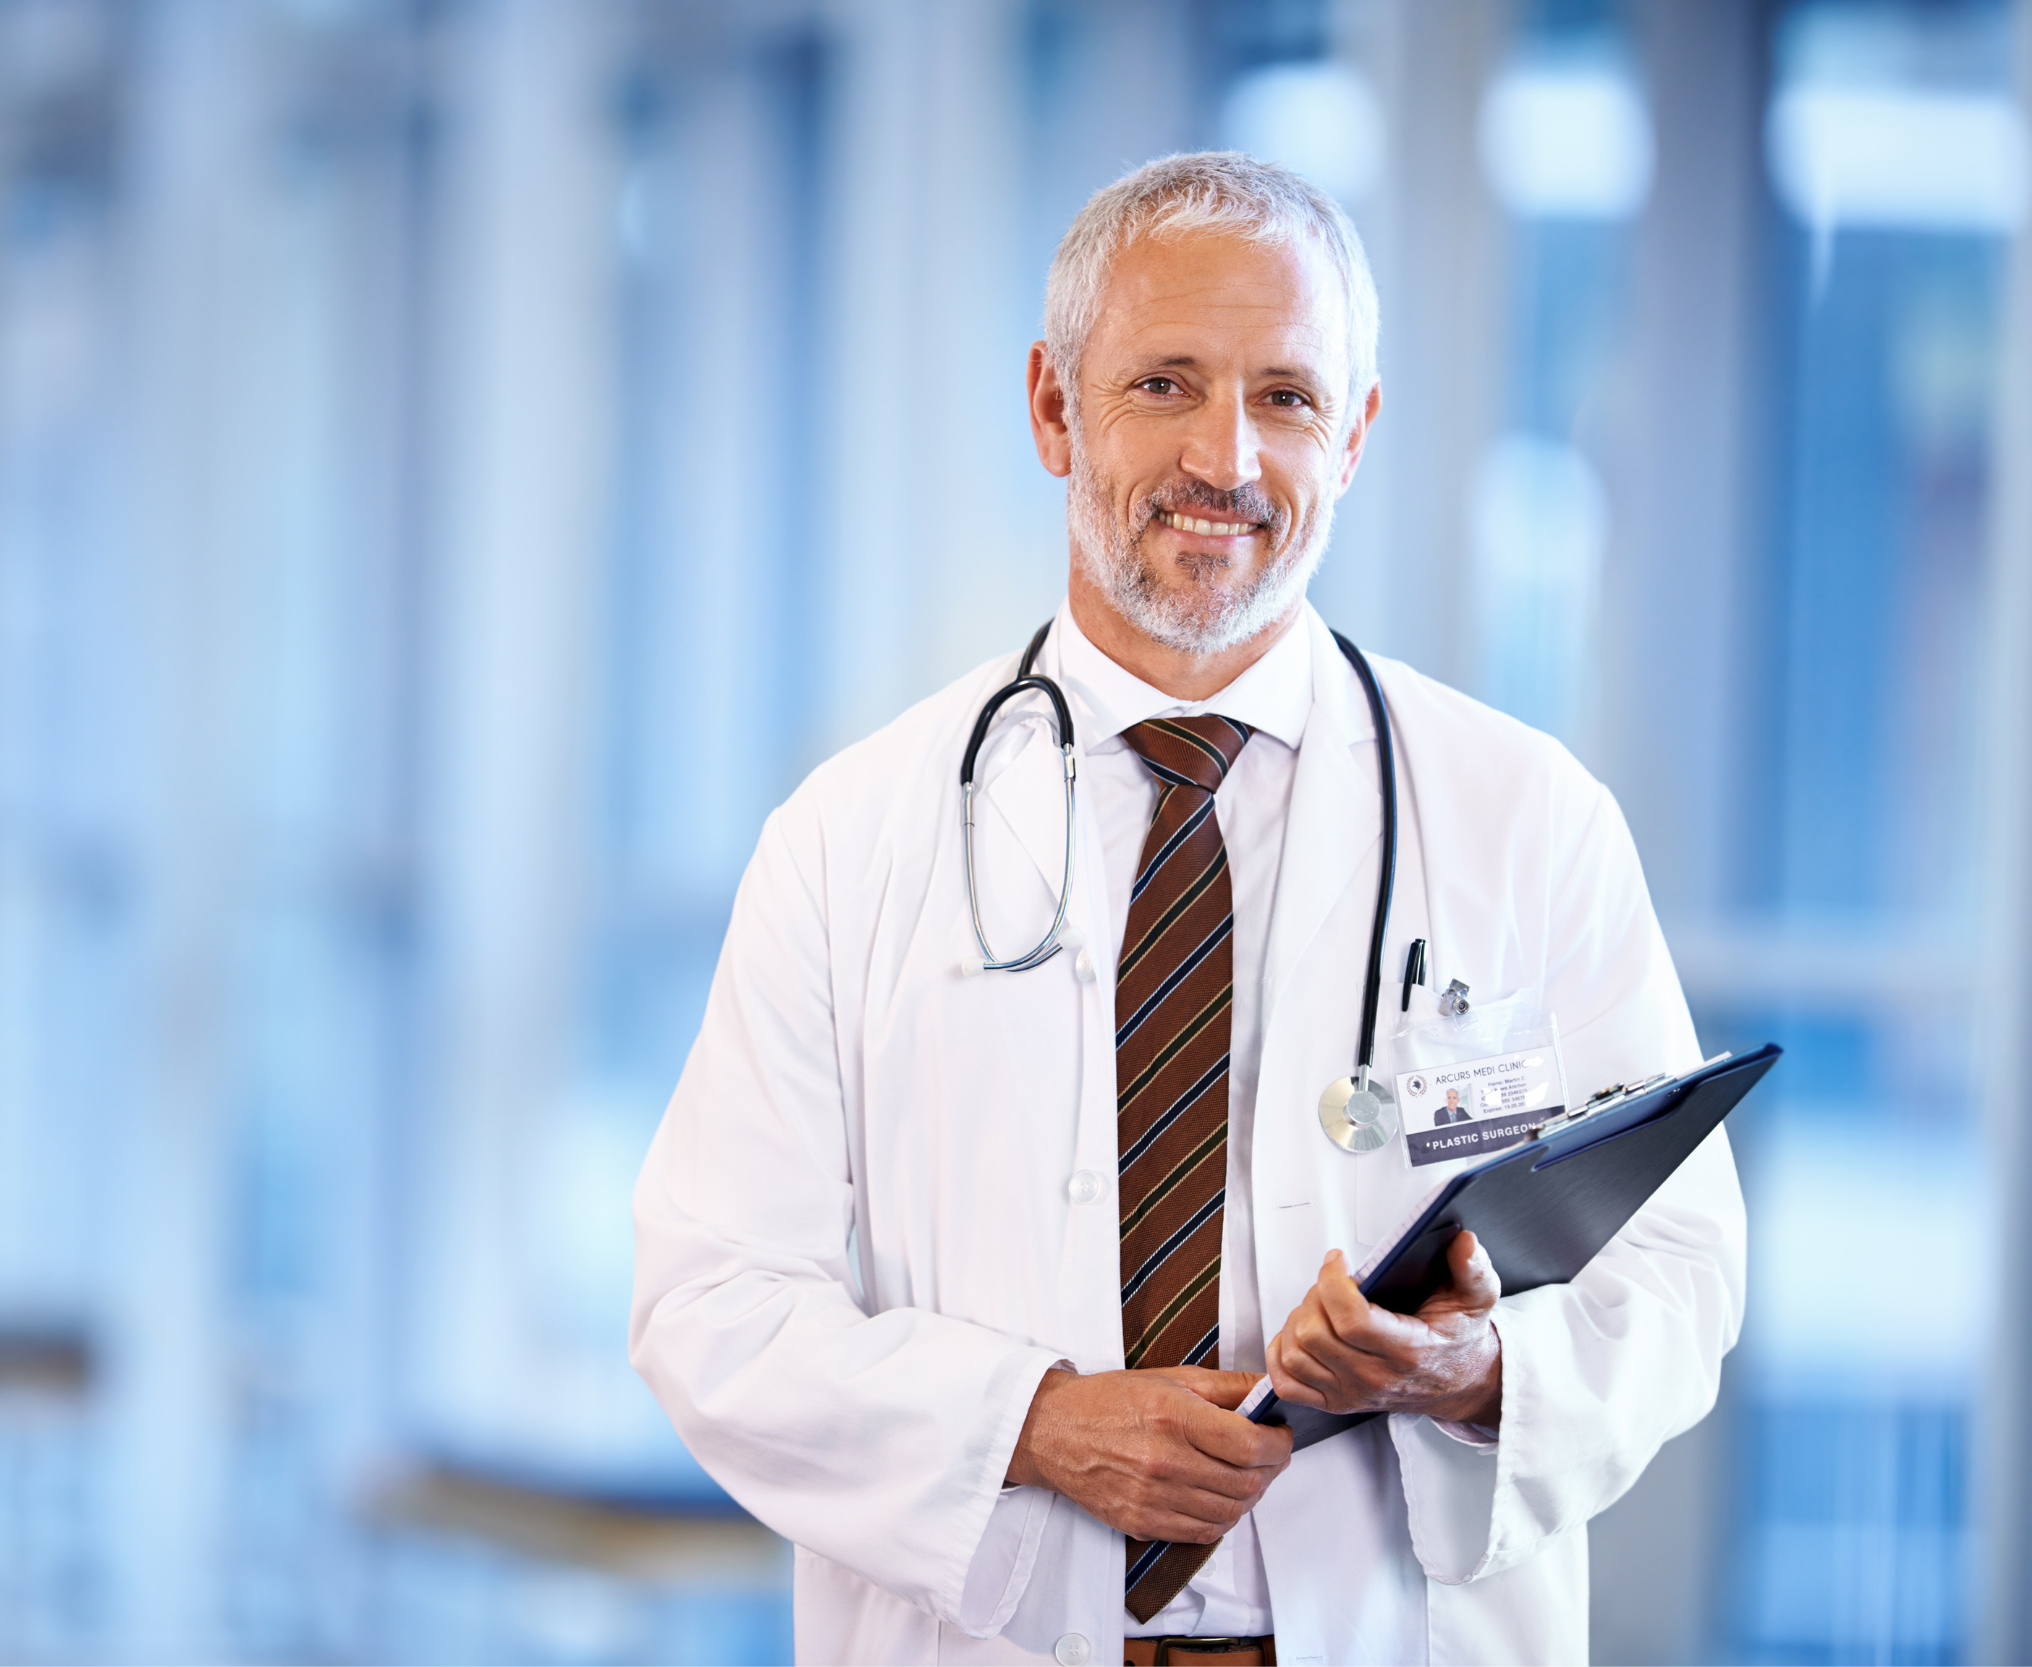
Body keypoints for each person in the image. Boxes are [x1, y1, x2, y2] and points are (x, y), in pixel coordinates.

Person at [630, 152, 1744, 1667]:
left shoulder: (1526, 818)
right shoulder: (850, 839)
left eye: (1286, 396)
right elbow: (711, 1303)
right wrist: (1028, 1426)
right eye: (1164, 382)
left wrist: (1479, 1369)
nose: (1226, 455)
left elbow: (1678, 1273)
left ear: (1354, 434)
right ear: (1052, 407)